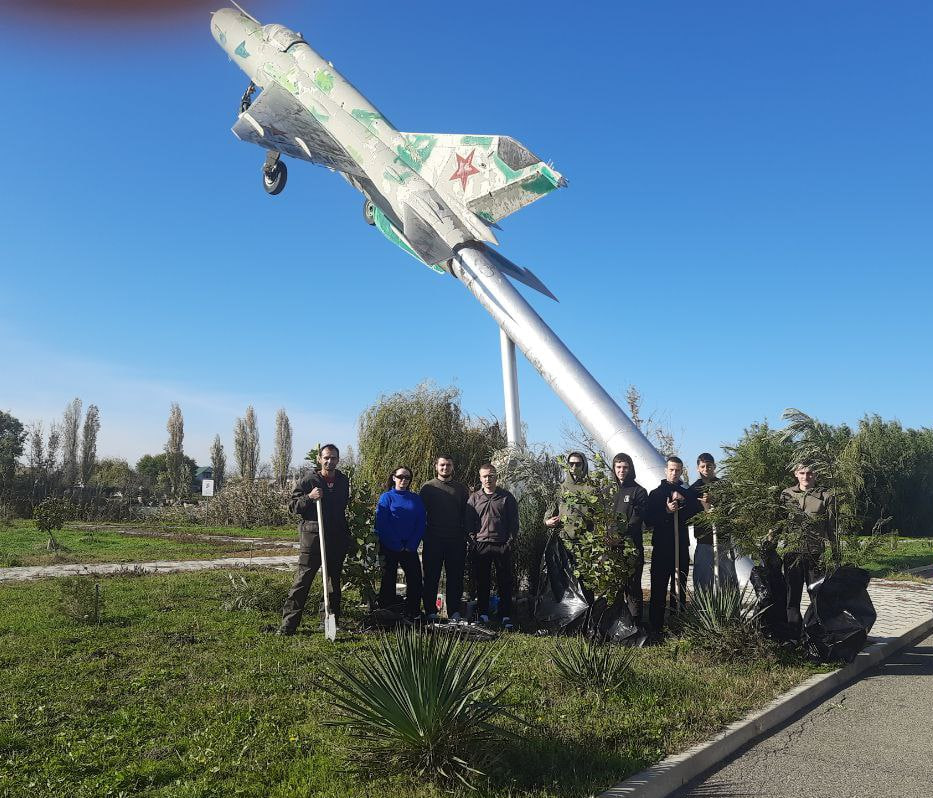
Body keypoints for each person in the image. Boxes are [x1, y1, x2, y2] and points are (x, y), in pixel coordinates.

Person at [278, 444, 350, 635]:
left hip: (336, 538)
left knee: (333, 583)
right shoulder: (309, 480)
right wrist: (309, 497)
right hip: (313, 538)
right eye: (326, 457)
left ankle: (329, 621)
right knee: (303, 580)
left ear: (338, 460)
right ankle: (288, 624)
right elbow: (292, 506)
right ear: (319, 459)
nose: (329, 461)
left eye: (333, 458)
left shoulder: (343, 481)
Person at [645, 456, 701, 639]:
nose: (674, 473)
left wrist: (683, 502)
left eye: (677, 470)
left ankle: (678, 624)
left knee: (679, 588)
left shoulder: (687, 493)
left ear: (681, 471)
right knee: (658, 588)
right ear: (666, 470)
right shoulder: (656, 494)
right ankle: (656, 626)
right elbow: (649, 520)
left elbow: (695, 513)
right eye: (671, 470)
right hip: (662, 547)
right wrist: (667, 511)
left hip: (680, 547)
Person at [781, 463, 837, 638]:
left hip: (815, 555)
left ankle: (816, 634)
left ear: (816, 475)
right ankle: (794, 636)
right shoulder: (786, 495)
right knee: (792, 598)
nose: (806, 476)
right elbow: (778, 522)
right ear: (796, 474)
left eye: (810, 473)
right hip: (792, 553)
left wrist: (835, 552)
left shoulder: (826, 496)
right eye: (802, 473)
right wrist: (769, 543)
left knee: (817, 597)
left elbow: (832, 527)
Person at [466, 463, 519, 629]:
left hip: (501, 544)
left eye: (491, 476)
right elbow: (468, 522)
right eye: (485, 476)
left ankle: (505, 615)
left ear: (496, 477)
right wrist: (473, 541)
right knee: (482, 581)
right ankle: (483, 613)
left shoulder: (506, 497)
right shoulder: (474, 498)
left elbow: (514, 522)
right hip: (481, 545)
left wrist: (509, 542)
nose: (488, 479)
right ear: (480, 478)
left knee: (505, 581)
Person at [419, 455, 470, 620]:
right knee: (431, 577)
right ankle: (430, 611)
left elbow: (466, 513)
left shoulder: (461, 489)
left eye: (448, 465)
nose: (445, 468)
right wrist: (424, 535)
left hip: (455, 540)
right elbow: (420, 513)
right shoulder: (428, 487)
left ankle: (454, 611)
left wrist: (465, 535)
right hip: (433, 539)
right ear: (436, 466)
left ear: (452, 467)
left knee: (455, 577)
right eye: (442, 465)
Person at [374, 466, 426, 618]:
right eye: (400, 476)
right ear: (394, 478)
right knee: (388, 578)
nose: (404, 480)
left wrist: (411, 544)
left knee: (415, 579)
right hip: (389, 545)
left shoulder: (415, 499)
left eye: (407, 477)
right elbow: (382, 523)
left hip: (409, 546)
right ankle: (387, 611)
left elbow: (421, 522)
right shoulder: (386, 498)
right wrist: (396, 544)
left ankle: (413, 611)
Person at [690, 453, 738, 593]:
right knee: (703, 579)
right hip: (704, 540)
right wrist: (704, 509)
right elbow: (689, 514)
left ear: (714, 466)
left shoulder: (724, 486)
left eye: (709, 466)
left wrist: (715, 502)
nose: (706, 469)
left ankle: (729, 605)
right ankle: (704, 605)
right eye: (703, 466)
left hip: (723, 539)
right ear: (698, 468)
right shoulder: (693, 490)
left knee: (727, 579)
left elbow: (731, 509)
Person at [610, 452, 649, 622]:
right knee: (614, 588)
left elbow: (636, 519)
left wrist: (620, 536)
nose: (622, 470)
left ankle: (635, 625)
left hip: (631, 548)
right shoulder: (607, 491)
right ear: (614, 468)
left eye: (625, 467)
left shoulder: (639, 491)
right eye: (618, 467)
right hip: (611, 549)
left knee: (632, 588)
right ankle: (615, 624)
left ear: (630, 469)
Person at [544, 451, 593, 536]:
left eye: (578, 464)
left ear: (584, 465)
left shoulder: (592, 487)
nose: (574, 467)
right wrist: (547, 521)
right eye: (571, 464)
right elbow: (552, 508)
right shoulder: (562, 487)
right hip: (564, 537)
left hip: (586, 538)